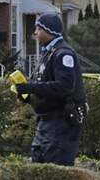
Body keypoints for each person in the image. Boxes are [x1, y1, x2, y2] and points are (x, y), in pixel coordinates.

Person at [14, 13, 87, 166]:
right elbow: (46, 86)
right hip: (47, 123)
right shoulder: (48, 52)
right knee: (39, 164)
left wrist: (31, 87)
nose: (35, 33)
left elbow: (64, 87)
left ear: (49, 31)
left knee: (55, 166)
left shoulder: (63, 54)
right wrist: (28, 95)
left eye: (38, 29)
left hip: (61, 122)